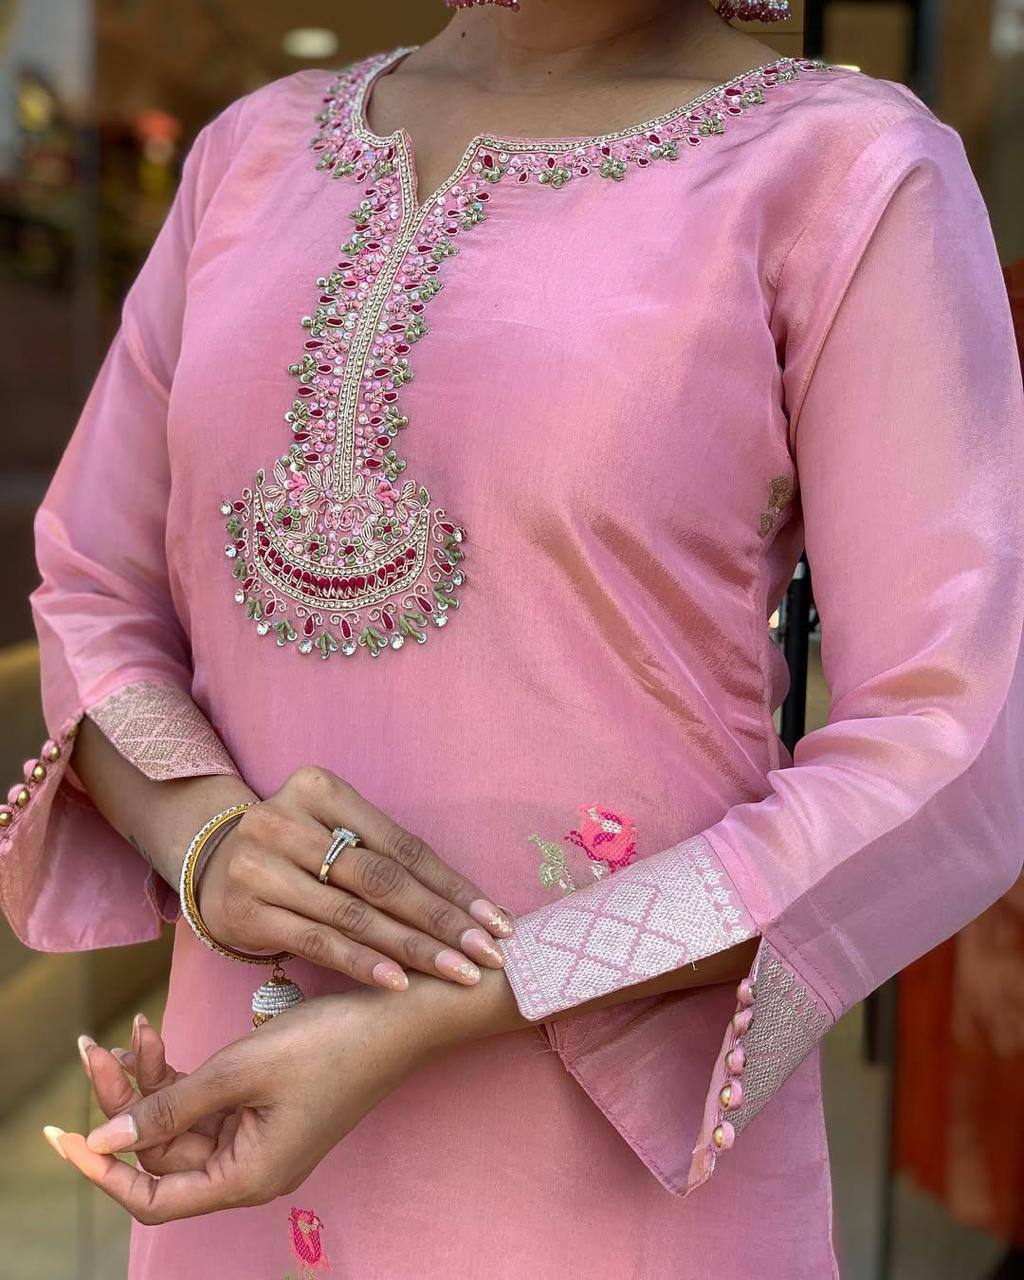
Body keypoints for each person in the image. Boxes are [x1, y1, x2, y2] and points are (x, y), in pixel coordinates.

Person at [2, 1, 1022, 1276]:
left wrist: (466, 995)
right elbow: (94, 582)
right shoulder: (251, 154)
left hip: (599, 1167)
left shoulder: (842, 167)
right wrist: (203, 836)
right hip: (240, 1123)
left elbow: (943, 741)